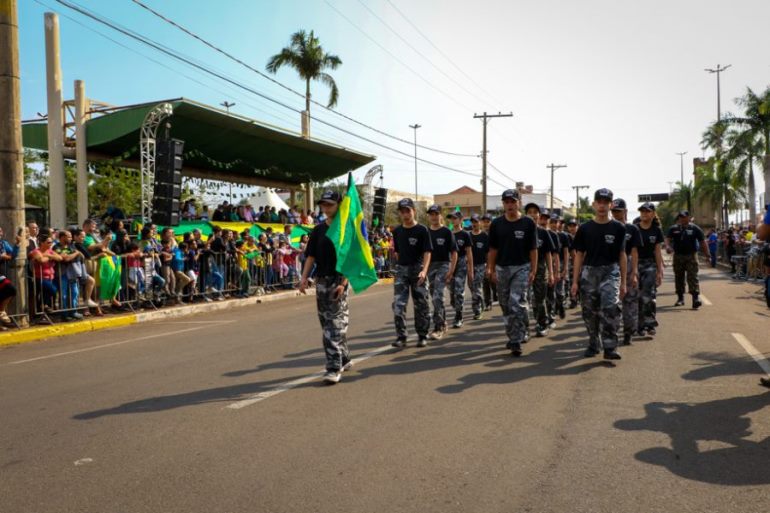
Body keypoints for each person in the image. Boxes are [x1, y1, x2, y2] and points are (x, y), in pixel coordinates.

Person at [299, 190, 353, 384]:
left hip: (338, 280)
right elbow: (310, 255)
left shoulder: (345, 228)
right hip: (321, 281)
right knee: (326, 323)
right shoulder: (318, 230)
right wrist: (304, 278)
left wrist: (343, 282)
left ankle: (333, 367)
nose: (326, 208)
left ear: (339, 205)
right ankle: (344, 357)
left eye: (330, 204)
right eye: (323, 204)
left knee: (333, 327)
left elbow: (349, 258)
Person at [571, 188, 627, 360]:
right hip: (589, 273)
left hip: (610, 271)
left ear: (610, 205)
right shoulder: (585, 229)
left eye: (606, 202)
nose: (602, 206)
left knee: (611, 307)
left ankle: (610, 346)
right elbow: (579, 255)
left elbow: (622, 255)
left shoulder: (618, 228)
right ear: (594, 204)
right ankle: (593, 342)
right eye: (599, 202)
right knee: (590, 311)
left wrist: (624, 282)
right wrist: (574, 281)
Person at [487, 190, 537, 357]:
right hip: (502, 268)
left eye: (512, 201)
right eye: (506, 202)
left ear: (518, 203)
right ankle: (516, 331)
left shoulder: (528, 223)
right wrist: (490, 268)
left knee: (516, 303)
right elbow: (493, 249)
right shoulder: (496, 224)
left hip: (521, 267)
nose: (509, 205)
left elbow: (533, 249)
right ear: (503, 204)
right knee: (505, 305)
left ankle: (516, 340)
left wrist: (533, 269)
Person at [391, 198, 432, 348]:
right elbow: (397, 252)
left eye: (408, 210)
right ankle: (401, 336)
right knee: (398, 305)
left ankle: (422, 335)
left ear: (414, 211)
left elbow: (427, 252)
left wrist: (424, 270)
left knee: (421, 304)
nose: (405, 214)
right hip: (402, 270)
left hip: (418, 270)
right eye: (402, 211)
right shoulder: (397, 231)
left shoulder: (422, 230)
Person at [610, 198, 642, 346]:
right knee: (612, 303)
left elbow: (634, 251)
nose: (616, 214)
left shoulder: (632, 229)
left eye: (619, 211)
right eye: (614, 211)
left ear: (625, 212)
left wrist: (634, 272)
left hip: (629, 265)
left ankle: (628, 332)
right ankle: (612, 334)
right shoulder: (608, 227)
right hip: (611, 265)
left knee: (630, 302)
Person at [665, 210, 710, 308]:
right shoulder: (674, 228)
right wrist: (668, 247)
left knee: (693, 277)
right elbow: (667, 239)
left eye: (684, 217)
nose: (682, 218)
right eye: (680, 217)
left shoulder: (695, 228)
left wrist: (708, 255)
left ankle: (695, 299)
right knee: (679, 277)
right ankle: (680, 298)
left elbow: (703, 242)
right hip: (678, 256)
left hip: (691, 256)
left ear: (688, 217)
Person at [426, 204, 457, 340]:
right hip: (430, 267)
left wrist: (451, 270)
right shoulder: (426, 232)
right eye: (431, 214)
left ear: (440, 216)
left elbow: (454, 253)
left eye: (436, 214)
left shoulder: (446, 232)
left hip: (444, 265)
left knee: (437, 296)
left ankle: (438, 327)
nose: (433, 217)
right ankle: (443, 322)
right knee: (434, 297)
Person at [634, 202, 665, 337]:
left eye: (647, 211)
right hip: (636, 263)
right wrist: (633, 269)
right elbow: (633, 251)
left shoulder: (656, 230)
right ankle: (640, 325)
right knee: (638, 296)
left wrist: (660, 270)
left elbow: (657, 251)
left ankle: (650, 323)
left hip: (650, 265)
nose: (644, 214)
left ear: (653, 214)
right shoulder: (635, 229)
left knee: (649, 294)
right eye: (642, 211)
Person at [525, 203, 554, 337]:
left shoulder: (543, 232)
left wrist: (552, 274)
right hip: (524, 268)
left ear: (539, 215)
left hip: (541, 269)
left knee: (539, 299)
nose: (532, 214)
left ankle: (542, 323)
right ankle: (524, 328)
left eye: (535, 212)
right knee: (524, 299)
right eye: (529, 212)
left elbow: (548, 254)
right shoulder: (522, 231)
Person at [448, 211, 473, 328]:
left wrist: (470, 270)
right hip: (450, 263)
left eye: (455, 218)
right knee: (452, 293)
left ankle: (459, 316)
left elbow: (469, 253)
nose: (453, 220)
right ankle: (456, 304)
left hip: (462, 263)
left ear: (461, 219)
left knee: (459, 291)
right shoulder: (448, 234)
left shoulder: (465, 235)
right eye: (451, 218)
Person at [469, 214, 489, 320]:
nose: (474, 224)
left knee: (477, 287)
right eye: (473, 222)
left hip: (481, 265)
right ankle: (481, 303)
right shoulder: (469, 236)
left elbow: (488, 253)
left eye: (476, 222)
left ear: (480, 223)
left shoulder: (484, 236)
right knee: (473, 288)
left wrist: (488, 267)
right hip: (470, 266)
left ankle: (477, 310)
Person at [480, 213, 498, 310]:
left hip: (495, 261)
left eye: (488, 221)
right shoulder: (481, 234)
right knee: (485, 282)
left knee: (493, 281)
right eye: (484, 222)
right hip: (484, 262)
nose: (486, 224)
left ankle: (496, 294)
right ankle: (488, 302)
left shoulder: (495, 234)